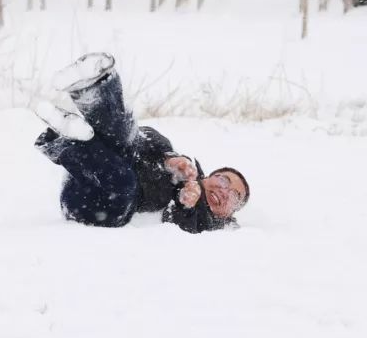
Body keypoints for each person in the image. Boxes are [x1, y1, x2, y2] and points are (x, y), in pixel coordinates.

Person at [34, 52, 250, 233]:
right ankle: (92, 86)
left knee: (125, 183)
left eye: (233, 195)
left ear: (232, 212)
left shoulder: (207, 224)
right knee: (128, 138)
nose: (223, 191)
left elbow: (181, 228)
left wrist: (186, 205)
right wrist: (169, 159)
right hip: (95, 172)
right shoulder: (186, 173)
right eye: (223, 181)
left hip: (93, 202)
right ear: (211, 176)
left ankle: (62, 143)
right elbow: (146, 135)